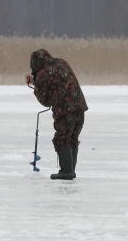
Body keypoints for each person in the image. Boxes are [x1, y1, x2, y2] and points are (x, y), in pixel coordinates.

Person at [25, 49, 88, 180]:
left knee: (61, 139)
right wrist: (37, 81)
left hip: (65, 109)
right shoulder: (61, 63)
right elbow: (57, 81)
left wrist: (36, 85)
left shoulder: (43, 73)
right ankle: (70, 170)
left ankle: (66, 171)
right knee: (72, 138)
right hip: (80, 106)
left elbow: (45, 101)